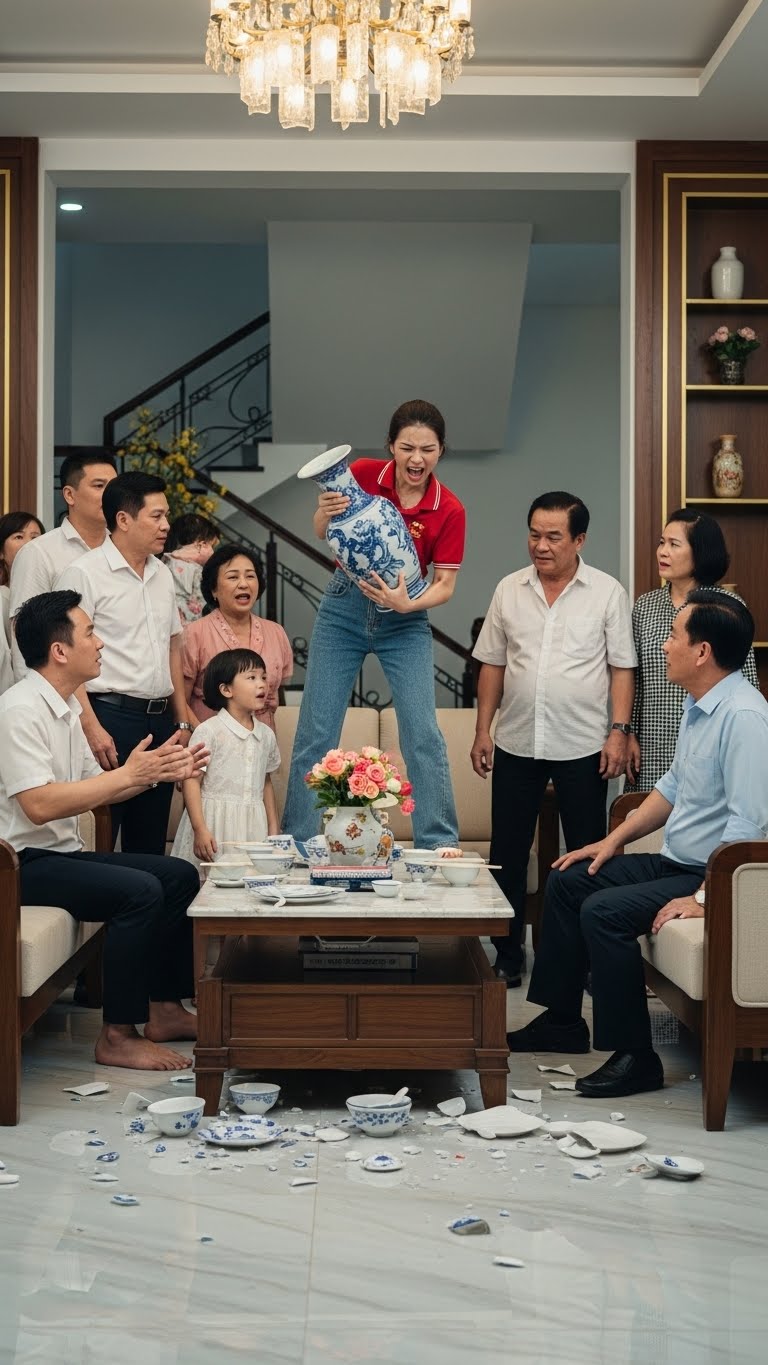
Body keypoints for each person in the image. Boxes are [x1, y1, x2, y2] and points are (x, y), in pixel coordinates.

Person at [507, 590, 768, 1099]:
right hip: (676, 862)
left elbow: (750, 828)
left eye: (673, 636)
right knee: (568, 878)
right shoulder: (700, 705)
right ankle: (562, 1022)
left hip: (708, 875)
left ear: (702, 652)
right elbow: (671, 788)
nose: (664, 646)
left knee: (603, 912)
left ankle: (636, 1058)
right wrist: (608, 843)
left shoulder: (744, 718)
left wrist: (704, 899)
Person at [0, 590, 211, 1071]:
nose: (100, 643)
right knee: (139, 892)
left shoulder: (64, 708)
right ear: (59, 650)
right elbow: (38, 805)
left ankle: (165, 1010)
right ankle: (117, 1035)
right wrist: (129, 776)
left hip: (58, 855)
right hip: (18, 865)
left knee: (178, 875)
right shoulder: (19, 710)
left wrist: (157, 772)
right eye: (91, 633)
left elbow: (95, 790)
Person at [282, 399, 465, 850]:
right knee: (316, 730)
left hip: (406, 620)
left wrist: (408, 603)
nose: (417, 458)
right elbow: (322, 531)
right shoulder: (363, 473)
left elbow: (445, 586)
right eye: (407, 447)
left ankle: (437, 844)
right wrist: (324, 512)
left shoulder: (449, 509)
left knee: (422, 734)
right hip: (343, 609)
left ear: (441, 451)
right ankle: (300, 842)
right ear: (391, 446)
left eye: (428, 449)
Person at [471, 491, 637, 987]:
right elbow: (492, 664)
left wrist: (619, 732)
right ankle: (508, 956)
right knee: (507, 854)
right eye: (534, 535)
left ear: (579, 539)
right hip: (517, 741)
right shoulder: (509, 589)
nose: (540, 546)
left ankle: (581, 960)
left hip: (583, 745)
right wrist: (483, 729)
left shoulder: (606, 592)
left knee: (587, 856)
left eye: (553, 537)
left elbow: (621, 668)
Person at [56, 471, 192, 854]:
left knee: (148, 843)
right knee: (101, 835)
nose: (166, 525)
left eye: (166, 516)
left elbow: (172, 647)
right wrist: (91, 726)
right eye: (157, 516)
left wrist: (181, 720)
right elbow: (67, 657)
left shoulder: (163, 574)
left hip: (159, 720)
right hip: (108, 717)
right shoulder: (84, 573)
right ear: (123, 519)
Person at [628, 508, 758, 791]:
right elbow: (637, 679)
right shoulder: (645, 606)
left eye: (674, 544)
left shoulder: (726, 606)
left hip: (708, 740)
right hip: (652, 744)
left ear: (700, 552)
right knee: (649, 812)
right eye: (661, 542)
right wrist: (629, 733)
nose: (663, 552)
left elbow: (745, 680)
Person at [9, 450, 117, 678]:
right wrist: (35, 694)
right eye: (99, 486)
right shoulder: (39, 552)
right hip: (66, 690)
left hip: (123, 689)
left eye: (114, 486)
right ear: (69, 495)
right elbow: (24, 634)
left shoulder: (122, 550)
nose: (110, 495)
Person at [171, 649, 280, 871]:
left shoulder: (266, 735)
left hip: (253, 826)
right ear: (226, 690)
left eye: (263, 677)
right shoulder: (209, 731)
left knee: (252, 882)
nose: (262, 684)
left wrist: (273, 828)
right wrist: (200, 829)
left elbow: (266, 783)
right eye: (251, 677)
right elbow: (192, 781)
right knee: (209, 883)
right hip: (214, 825)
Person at [181, 543, 293, 731]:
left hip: (263, 740)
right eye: (233, 577)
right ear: (214, 589)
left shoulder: (276, 632)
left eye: (250, 576)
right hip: (209, 742)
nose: (243, 584)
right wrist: (200, 735)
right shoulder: (194, 633)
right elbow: (180, 701)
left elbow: (277, 694)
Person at [0, 511, 45, 692]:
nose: (29, 544)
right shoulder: (2, 598)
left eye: (35, 537)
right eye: (19, 537)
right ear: (1, 552)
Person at [163, 512, 220, 625]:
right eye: (212, 546)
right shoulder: (194, 570)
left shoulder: (166, 562)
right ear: (201, 545)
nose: (213, 552)